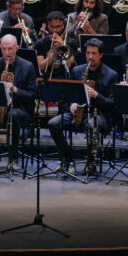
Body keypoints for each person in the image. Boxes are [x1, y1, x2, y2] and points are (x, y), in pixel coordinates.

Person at [47, 38, 119, 172]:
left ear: (101, 55)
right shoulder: (77, 71)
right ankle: (67, 157)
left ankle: (91, 162)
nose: (90, 57)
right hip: (78, 111)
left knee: (92, 126)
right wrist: (71, 104)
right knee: (53, 123)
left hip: (99, 114)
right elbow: (67, 95)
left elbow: (113, 104)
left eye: (94, 53)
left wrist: (96, 95)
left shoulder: (111, 75)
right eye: (88, 53)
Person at [0, 34, 38, 169]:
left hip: (19, 107)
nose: (7, 53)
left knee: (13, 116)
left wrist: (16, 90)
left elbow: (33, 95)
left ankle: (13, 157)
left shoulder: (27, 66)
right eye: (4, 49)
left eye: (10, 49)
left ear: (17, 48)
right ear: (0, 48)